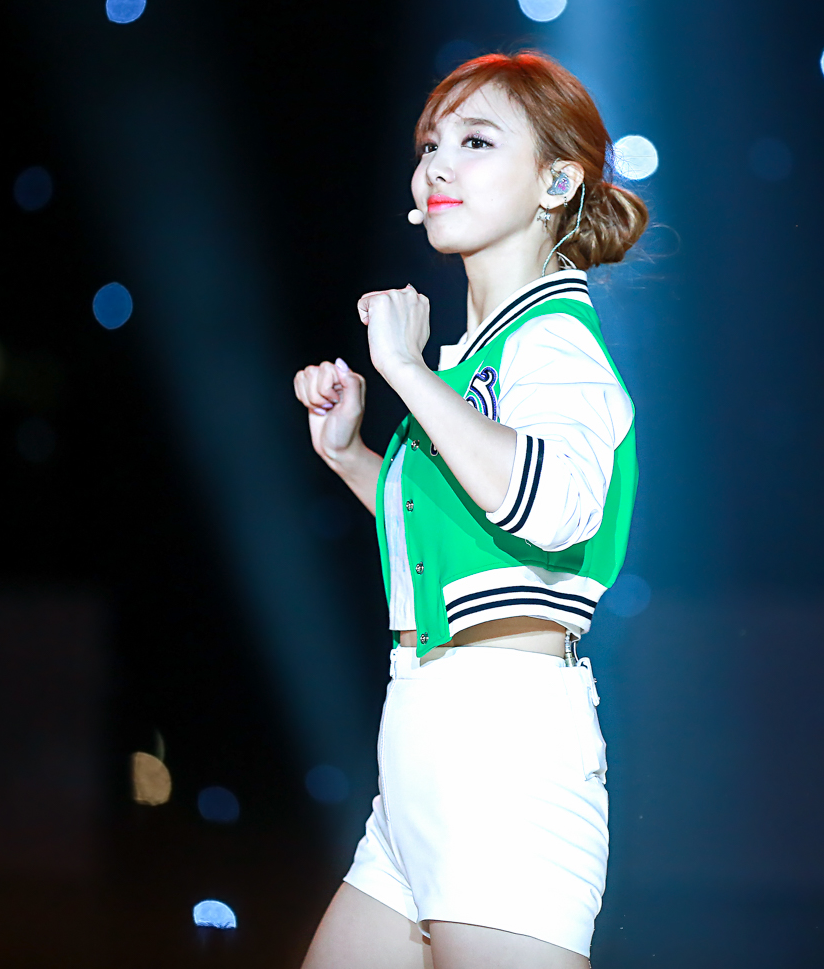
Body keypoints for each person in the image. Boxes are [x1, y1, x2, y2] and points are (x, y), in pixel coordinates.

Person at [293, 52, 648, 968]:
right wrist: (351, 455)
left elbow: (554, 507)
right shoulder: (476, 360)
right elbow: (458, 528)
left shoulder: (553, 341)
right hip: (425, 749)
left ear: (556, 183)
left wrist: (404, 370)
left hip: (503, 751)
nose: (438, 166)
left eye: (477, 142)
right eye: (430, 146)